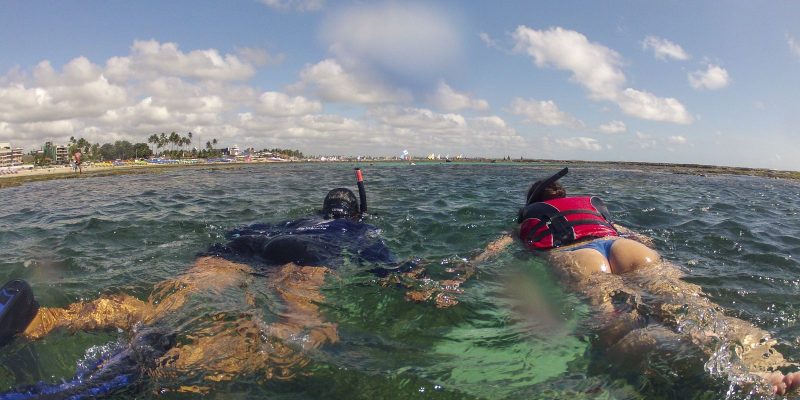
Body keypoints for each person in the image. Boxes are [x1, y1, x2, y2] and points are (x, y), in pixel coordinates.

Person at [0, 169, 502, 397]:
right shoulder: (357, 228)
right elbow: (385, 266)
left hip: (243, 243)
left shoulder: (296, 219)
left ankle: (43, 319)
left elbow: (259, 238)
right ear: (352, 212)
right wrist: (418, 287)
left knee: (171, 298)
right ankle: (174, 370)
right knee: (298, 328)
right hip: (311, 259)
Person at [511, 167, 800, 396]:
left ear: (534, 204)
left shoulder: (527, 219)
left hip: (575, 255)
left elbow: (494, 250)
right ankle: (770, 364)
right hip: (623, 245)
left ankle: (715, 368)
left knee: (614, 321)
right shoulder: (593, 212)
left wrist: (464, 277)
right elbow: (636, 236)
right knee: (690, 305)